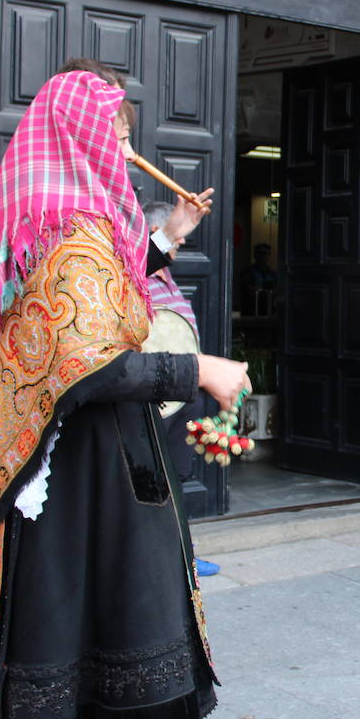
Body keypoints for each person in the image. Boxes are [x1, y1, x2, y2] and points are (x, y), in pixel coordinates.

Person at [0, 69, 246, 719]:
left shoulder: (31, 216)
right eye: (116, 133)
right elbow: (93, 365)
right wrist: (200, 368)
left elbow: (101, 300)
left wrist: (170, 235)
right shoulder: (71, 232)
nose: (124, 148)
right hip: (83, 466)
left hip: (46, 452)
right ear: (84, 136)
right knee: (90, 609)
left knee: (58, 609)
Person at [144, 200, 220, 579]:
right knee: (156, 482)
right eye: (176, 241)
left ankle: (183, 555)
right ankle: (164, 562)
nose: (179, 249)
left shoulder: (168, 279)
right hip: (155, 399)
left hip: (183, 393)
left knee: (180, 475)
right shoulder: (135, 280)